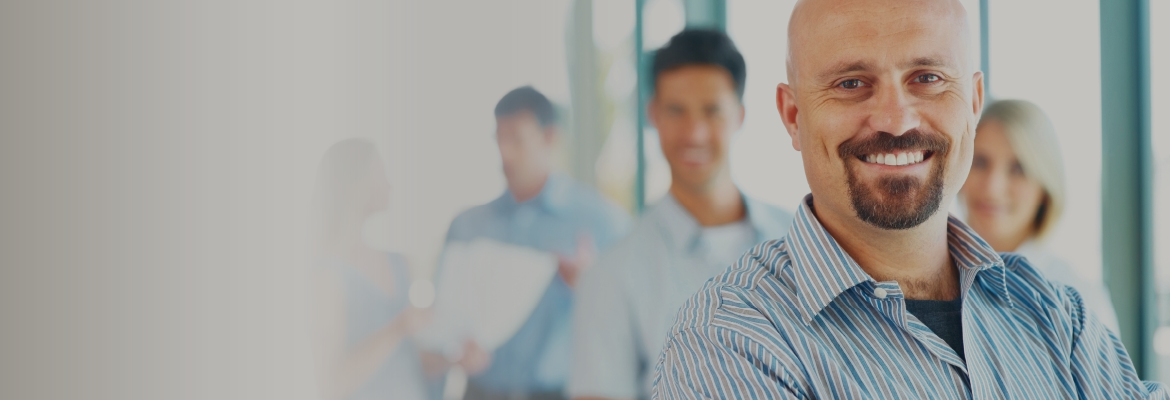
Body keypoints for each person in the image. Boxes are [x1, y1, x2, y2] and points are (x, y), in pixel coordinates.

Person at [651, 0, 1169, 398]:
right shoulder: (730, 342)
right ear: (792, 116)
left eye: (927, 78)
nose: (896, 120)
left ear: (973, 103)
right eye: (851, 83)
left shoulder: (1060, 318)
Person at [569, 29, 794, 400]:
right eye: (676, 111)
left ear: (739, 116)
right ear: (653, 114)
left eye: (712, 110)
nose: (695, 133)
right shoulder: (611, 276)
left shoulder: (803, 242)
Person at [431, 86, 631, 400]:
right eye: (499, 139)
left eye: (516, 139)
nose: (505, 153)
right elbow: (440, 321)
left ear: (549, 138)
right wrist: (452, 349)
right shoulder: (468, 227)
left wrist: (591, 287)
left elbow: (630, 328)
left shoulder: (602, 223)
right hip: (479, 392)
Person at [960, 99, 1120, 333]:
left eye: (1018, 169)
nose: (992, 187)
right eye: (980, 163)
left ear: (1044, 188)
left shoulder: (1078, 301)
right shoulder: (931, 279)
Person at [310, 139, 429, 400]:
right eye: (381, 173)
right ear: (357, 180)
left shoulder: (399, 261)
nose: (390, 185)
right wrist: (398, 328)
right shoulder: (328, 275)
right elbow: (329, 384)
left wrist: (452, 358)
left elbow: (412, 359)